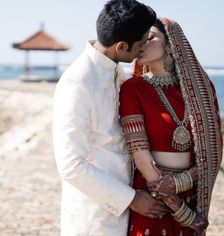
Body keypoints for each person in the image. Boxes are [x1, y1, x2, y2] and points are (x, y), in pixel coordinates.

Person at [53, 1, 170, 235]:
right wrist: (131, 199)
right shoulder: (77, 83)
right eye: (143, 41)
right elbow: (71, 165)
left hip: (123, 208)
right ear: (121, 46)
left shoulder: (115, 68)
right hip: (94, 217)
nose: (145, 46)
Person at [119, 18, 223, 236]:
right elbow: (139, 152)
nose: (142, 43)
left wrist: (181, 184)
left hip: (191, 194)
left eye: (150, 37)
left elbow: (211, 152)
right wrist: (178, 207)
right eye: (139, 39)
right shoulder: (133, 88)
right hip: (152, 199)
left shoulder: (201, 89)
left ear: (171, 42)